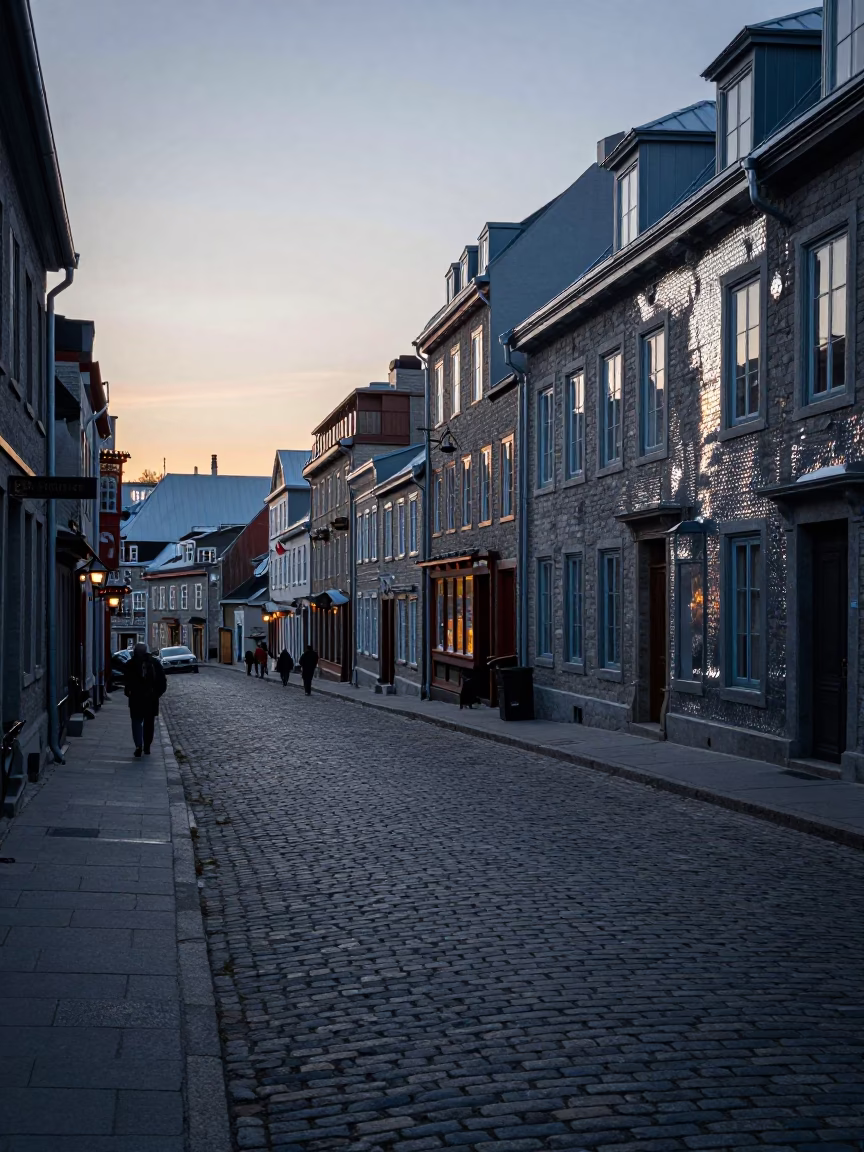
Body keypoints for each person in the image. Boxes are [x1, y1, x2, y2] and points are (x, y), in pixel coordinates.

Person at [124, 643, 167, 757]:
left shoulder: (130, 664)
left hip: (136, 698)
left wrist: (129, 692)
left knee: (136, 722)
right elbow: (162, 681)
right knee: (148, 723)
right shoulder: (154, 663)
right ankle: (146, 746)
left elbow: (126, 681)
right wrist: (156, 694)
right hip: (150, 698)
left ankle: (139, 745)